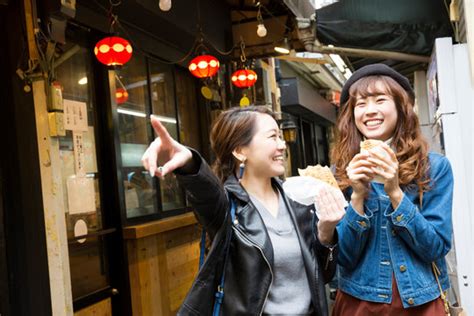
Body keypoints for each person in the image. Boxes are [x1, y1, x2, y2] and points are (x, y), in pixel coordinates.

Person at [141, 106, 346, 315]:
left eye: (281, 137)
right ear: (240, 151)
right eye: (273, 137)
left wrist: (326, 232)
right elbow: (206, 192)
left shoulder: (298, 198)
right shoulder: (227, 207)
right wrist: (189, 163)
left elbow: (324, 275)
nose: (283, 145)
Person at [331, 64, 453, 315]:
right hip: (359, 303)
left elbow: (436, 247)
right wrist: (357, 195)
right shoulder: (341, 172)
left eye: (380, 100)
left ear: (400, 107)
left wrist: (395, 192)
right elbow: (344, 257)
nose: (370, 110)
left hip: (421, 303)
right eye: (361, 104)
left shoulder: (433, 167)